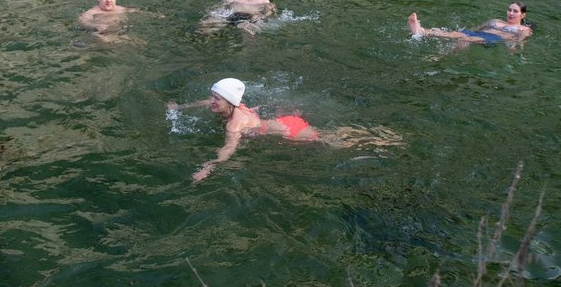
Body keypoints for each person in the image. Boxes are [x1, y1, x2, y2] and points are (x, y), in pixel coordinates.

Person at [168, 78, 400, 181]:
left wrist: (209, 167)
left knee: (332, 140)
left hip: (290, 131)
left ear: (229, 102)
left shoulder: (234, 123)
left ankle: (382, 140)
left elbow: (228, 149)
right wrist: (181, 106)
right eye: (212, 97)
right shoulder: (236, 105)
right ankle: (377, 135)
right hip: (282, 120)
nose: (212, 102)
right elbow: (204, 102)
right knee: (333, 135)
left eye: (216, 99)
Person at [408, 2, 532, 45]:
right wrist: (467, 30)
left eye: (515, 11)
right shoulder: (496, 21)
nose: (511, 13)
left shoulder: (523, 29)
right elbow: (477, 28)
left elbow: (520, 41)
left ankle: (423, 33)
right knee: (458, 34)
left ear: (523, 15)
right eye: (509, 10)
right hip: (478, 34)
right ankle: (422, 32)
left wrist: (514, 49)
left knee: (463, 38)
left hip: (494, 38)